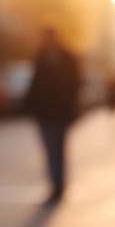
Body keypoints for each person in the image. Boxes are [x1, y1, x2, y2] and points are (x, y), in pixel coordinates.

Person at [23, 27, 82, 204]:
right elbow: (35, 83)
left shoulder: (67, 57)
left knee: (57, 148)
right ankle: (56, 184)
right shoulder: (41, 57)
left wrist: (71, 108)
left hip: (60, 112)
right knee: (50, 149)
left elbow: (74, 84)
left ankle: (58, 185)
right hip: (45, 112)